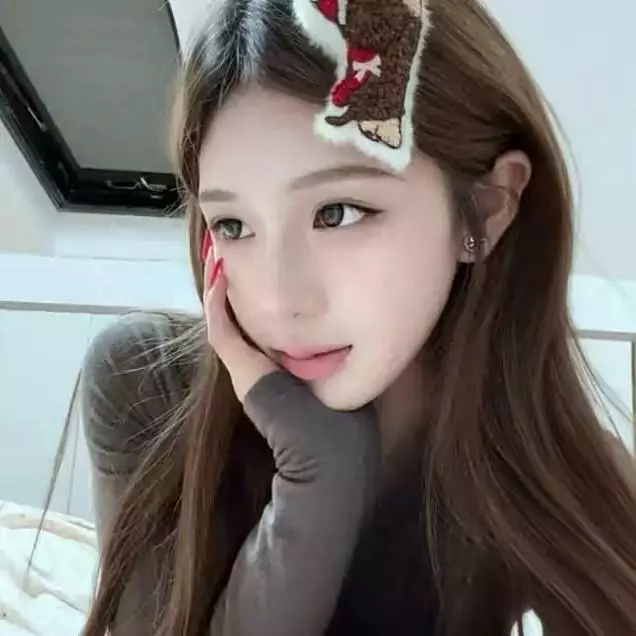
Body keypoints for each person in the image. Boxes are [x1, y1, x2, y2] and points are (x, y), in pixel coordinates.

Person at [78, 0, 636, 634]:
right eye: (232, 225)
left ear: (485, 209)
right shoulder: (146, 383)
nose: (280, 301)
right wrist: (318, 476)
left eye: (338, 213)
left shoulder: (551, 477)